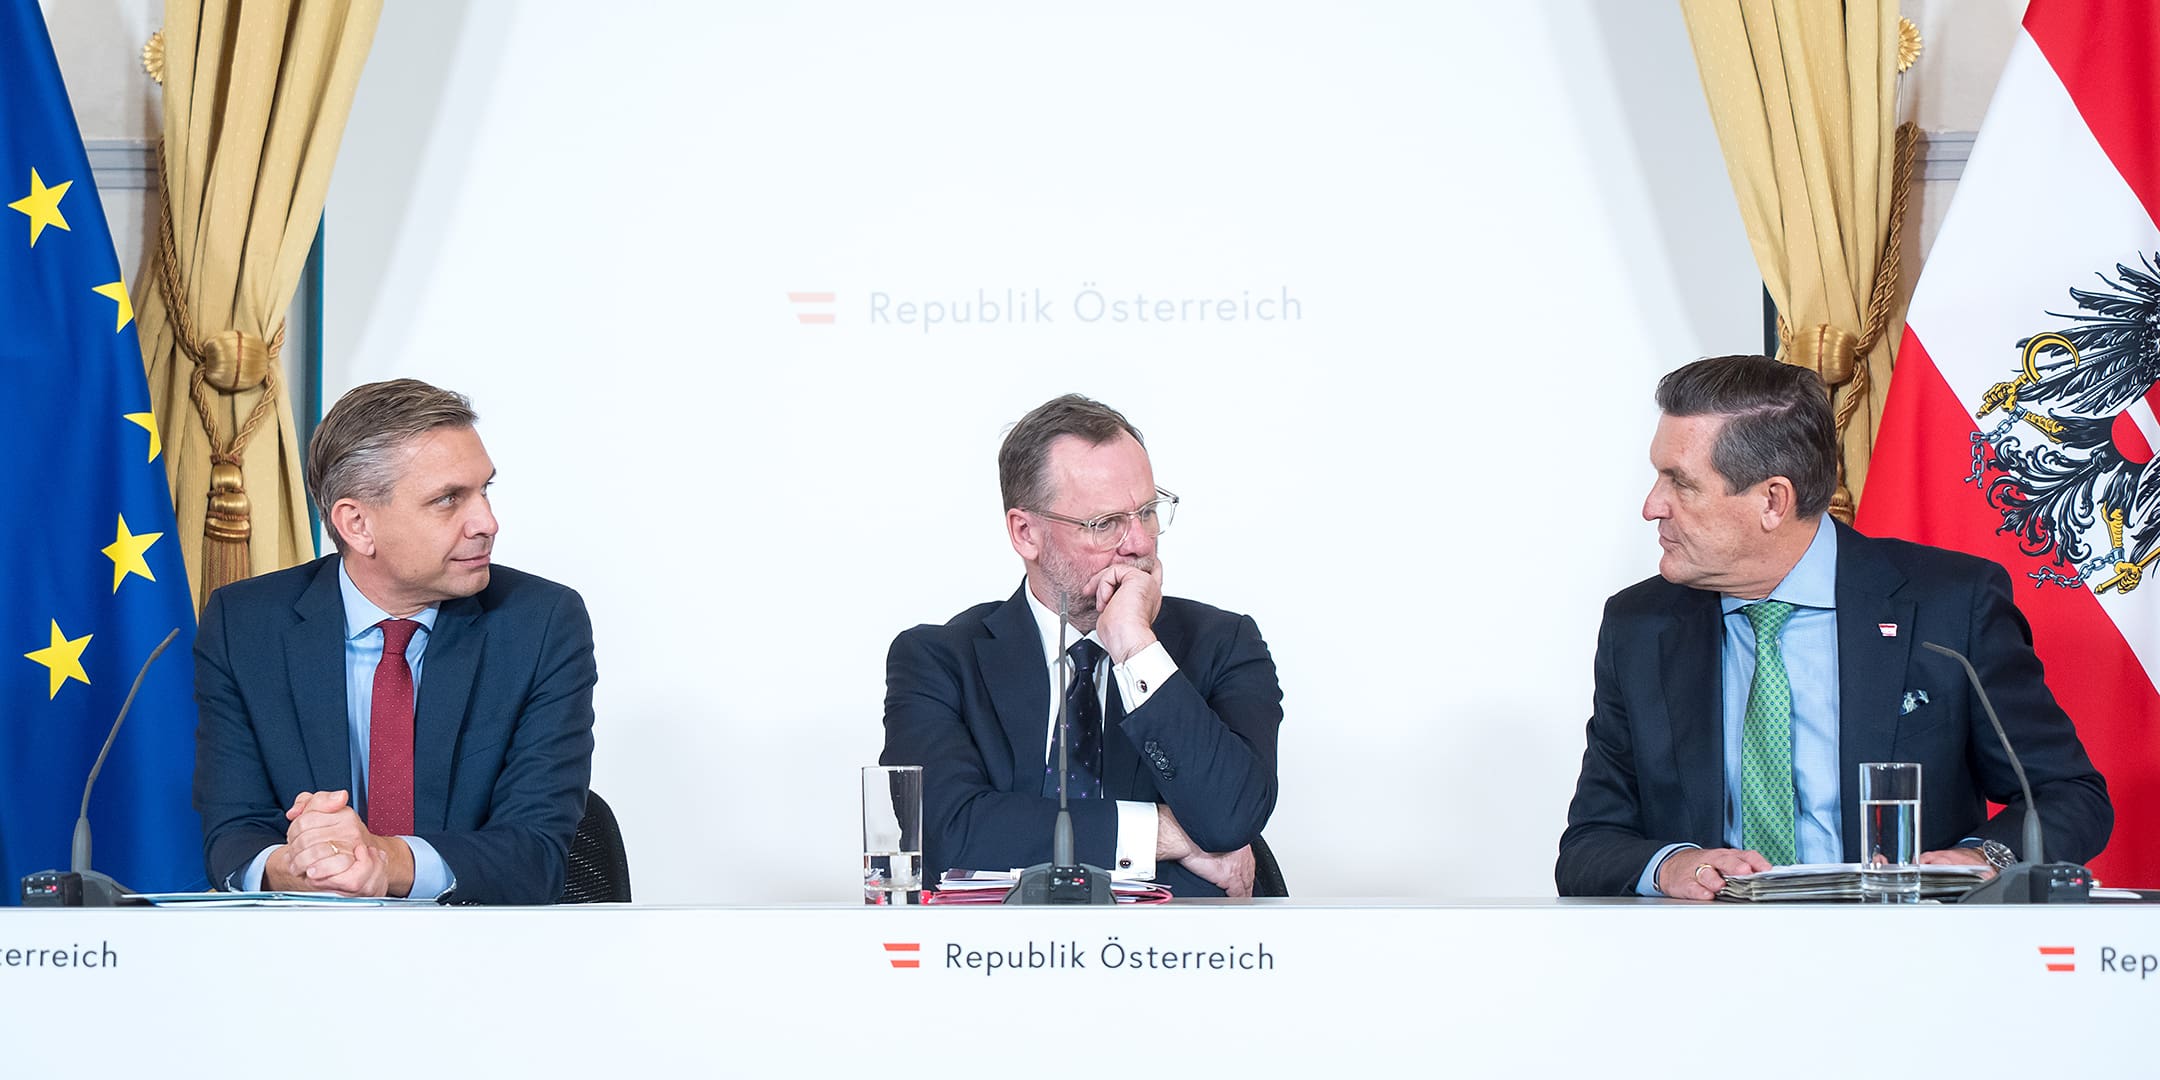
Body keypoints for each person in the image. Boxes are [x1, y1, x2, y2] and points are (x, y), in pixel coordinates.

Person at [1557, 355, 2112, 899]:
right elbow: (1589, 845)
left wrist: (1980, 858)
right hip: (1715, 947)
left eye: (1680, 483)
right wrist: (1671, 866)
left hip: (1907, 942)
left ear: (1773, 500)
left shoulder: (1949, 605)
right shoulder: (1641, 626)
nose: (1653, 506)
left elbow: (2066, 795)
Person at [193, 379, 597, 904]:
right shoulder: (245, 625)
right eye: (448, 499)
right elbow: (233, 834)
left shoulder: (541, 624)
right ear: (357, 524)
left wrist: (383, 861)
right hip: (301, 943)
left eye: (484, 490)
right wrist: (297, 867)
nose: (487, 522)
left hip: (475, 942)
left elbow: (535, 855)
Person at [882, 394, 1283, 898]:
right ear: (1026, 533)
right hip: (999, 946)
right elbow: (946, 836)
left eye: (1147, 512)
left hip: (1180, 944)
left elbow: (1232, 816)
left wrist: (1136, 647)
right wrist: (1161, 833)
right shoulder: (937, 661)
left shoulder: (1223, 644)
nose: (1140, 543)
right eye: (1105, 523)